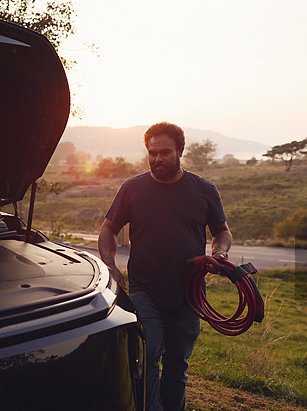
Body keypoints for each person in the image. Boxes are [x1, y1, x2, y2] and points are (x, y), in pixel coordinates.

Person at [98, 122, 232, 411]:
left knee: (177, 365)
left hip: (189, 294)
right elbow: (108, 229)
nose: (157, 159)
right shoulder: (132, 188)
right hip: (146, 289)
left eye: (165, 153)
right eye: (152, 153)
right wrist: (109, 265)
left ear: (180, 151)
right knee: (149, 355)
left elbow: (222, 231)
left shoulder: (204, 190)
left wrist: (219, 253)